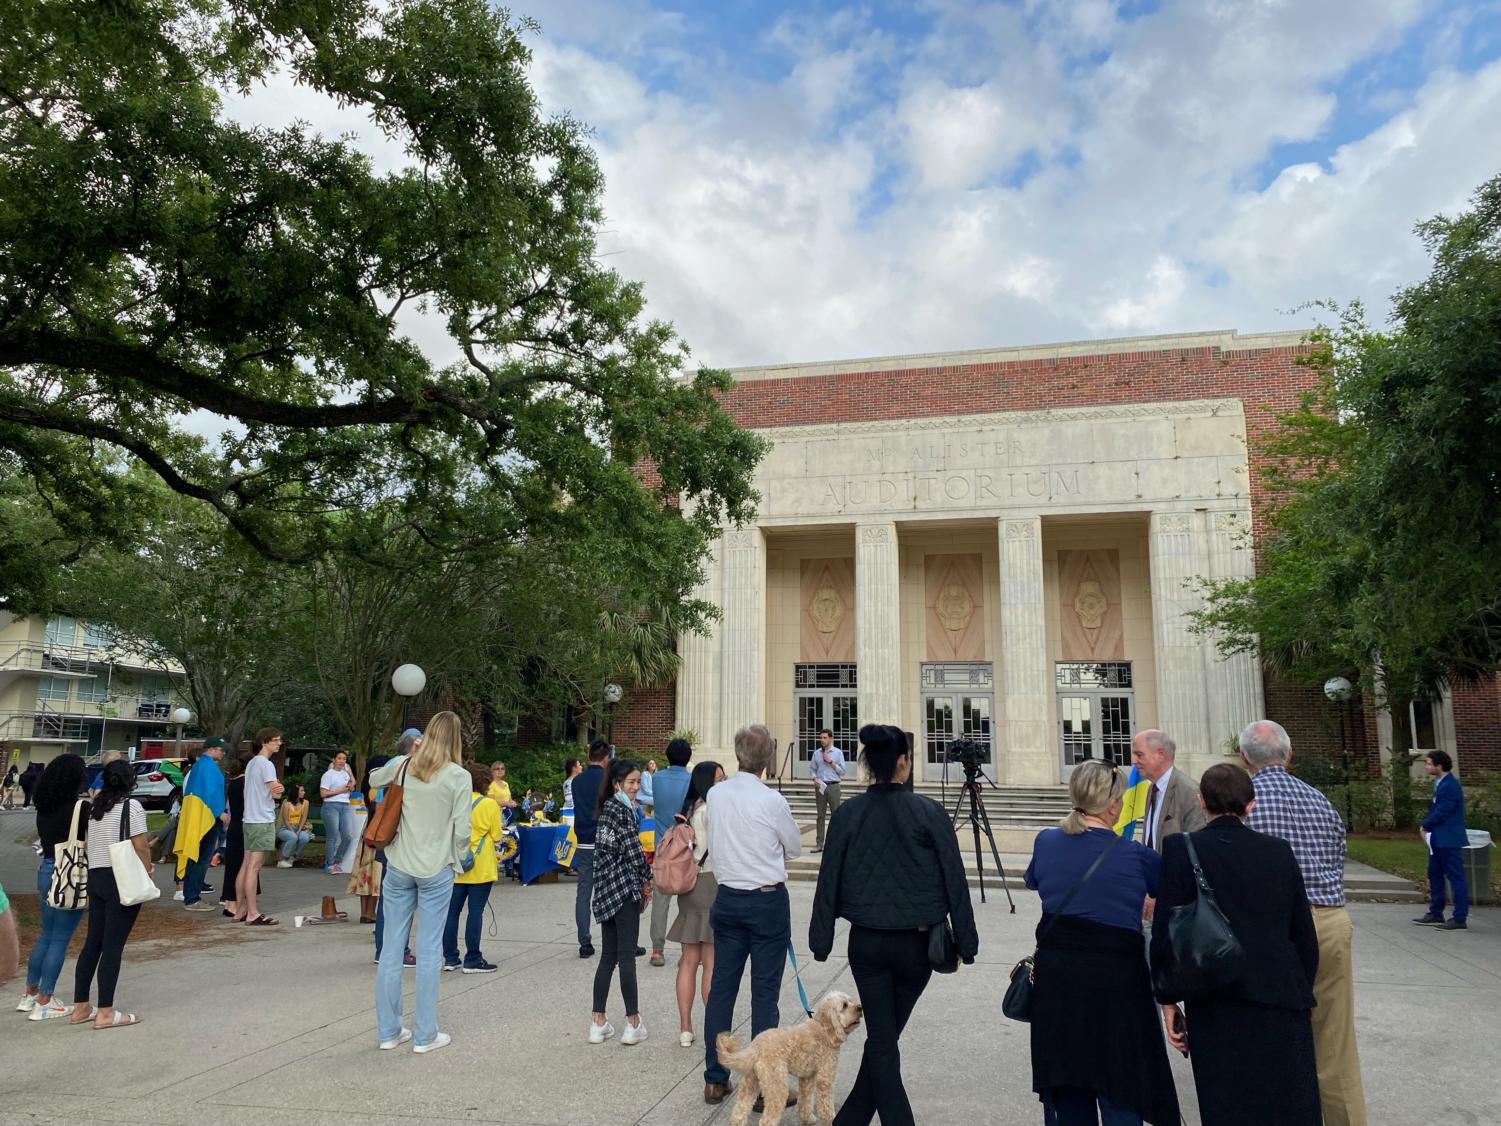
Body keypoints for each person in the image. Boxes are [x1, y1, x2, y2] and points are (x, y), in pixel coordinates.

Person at [810, 723, 977, 1126]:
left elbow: (828, 878)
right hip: (916, 947)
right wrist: (967, 941)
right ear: (903, 763)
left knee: (883, 1041)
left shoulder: (848, 814)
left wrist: (821, 937)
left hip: (867, 943)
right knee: (884, 1041)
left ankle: (849, 1120)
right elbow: (955, 878)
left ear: (868, 764)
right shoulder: (929, 813)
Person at [1152, 764, 1320, 1126]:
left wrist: (1168, 1000)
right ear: (1251, 805)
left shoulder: (1181, 849)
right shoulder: (1279, 852)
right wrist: (1301, 989)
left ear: (1201, 802)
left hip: (1215, 997)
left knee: (1226, 1105)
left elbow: (1167, 932)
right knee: (1286, 1108)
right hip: (1279, 994)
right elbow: (1303, 934)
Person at [1024, 759, 1178, 1125]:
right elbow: (1163, 898)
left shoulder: (1046, 841)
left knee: (1069, 1089)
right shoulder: (1138, 857)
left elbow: (1037, 882)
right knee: (1122, 1088)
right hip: (1116, 983)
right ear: (1113, 805)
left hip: (1059, 981)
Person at [1240, 719, 1366, 1126]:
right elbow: (1336, 860)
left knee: (1269, 1033)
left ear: (1243, 758)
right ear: (1289, 754)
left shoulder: (1245, 805)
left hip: (1274, 927)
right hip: (1329, 921)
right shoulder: (1321, 801)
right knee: (1334, 1041)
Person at [702, 724, 802, 1106]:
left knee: (722, 990)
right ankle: (763, 1085)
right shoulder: (771, 800)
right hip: (765, 900)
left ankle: (715, 1077)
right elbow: (792, 847)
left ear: (738, 754)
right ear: (767, 759)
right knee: (764, 994)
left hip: (727, 897)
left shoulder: (716, 794)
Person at [369, 710, 472, 1054]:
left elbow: (372, 779)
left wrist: (404, 756)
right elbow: (462, 829)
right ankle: (425, 1034)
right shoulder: (458, 776)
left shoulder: (404, 765)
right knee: (430, 950)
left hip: (399, 864)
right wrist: (463, 857)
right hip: (436, 867)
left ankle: (388, 1031)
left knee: (390, 950)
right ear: (455, 738)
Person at [70, 760, 151, 1028]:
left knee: (94, 941)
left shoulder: (96, 808)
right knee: (113, 945)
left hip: (97, 875)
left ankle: (81, 1005)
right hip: (120, 877)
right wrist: (148, 867)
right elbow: (140, 844)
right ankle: (105, 1011)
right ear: (130, 780)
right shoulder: (131, 806)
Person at [17, 754, 89, 1020]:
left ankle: (30, 992)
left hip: (46, 868)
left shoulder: (44, 806)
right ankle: (45, 999)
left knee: (45, 934)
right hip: (69, 872)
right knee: (60, 937)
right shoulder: (80, 808)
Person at [587, 757, 653, 1046]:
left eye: (638, 782)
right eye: (631, 782)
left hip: (604, 890)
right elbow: (633, 852)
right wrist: (648, 878)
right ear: (617, 784)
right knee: (626, 957)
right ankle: (633, 1022)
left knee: (607, 957)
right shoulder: (623, 811)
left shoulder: (606, 810)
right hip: (623, 890)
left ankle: (598, 1022)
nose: (636, 787)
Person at [668, 760, 723, 1046]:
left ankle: (685, 1028)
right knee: (711, 962)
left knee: (688, 960)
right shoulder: (712, 810)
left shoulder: (688, 809)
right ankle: (714, 1029)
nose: (723, 783)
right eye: (719, 778)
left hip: (688, 885)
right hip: (710, 883)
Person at [443, 763, 503, 973]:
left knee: (452, 912)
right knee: (475, 912)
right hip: (480, 865)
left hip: (456, 861)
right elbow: (497, 835)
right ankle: (473, 958)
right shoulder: (489, 804)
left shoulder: (455, 802)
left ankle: (450, 957)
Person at [372, 730, 421, 965]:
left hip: (386, 835)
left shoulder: (391, 765)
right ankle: (397, 951)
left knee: (388, 897)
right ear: (414, 746)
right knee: (402, 898)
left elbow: (373, 783)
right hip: (400, 838)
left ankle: (384, 949)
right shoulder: (406, 765)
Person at [648, 739, 695, 967]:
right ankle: (687, 951)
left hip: (662, 845)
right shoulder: (691, 781)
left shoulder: (656, 779)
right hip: (685, 846)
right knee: (688, 900)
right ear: (688, 757)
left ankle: (657, 950)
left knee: (661, 899)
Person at [1414, 750, 1469, 930]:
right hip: (1438, 838)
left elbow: (1443, 811)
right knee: (1434, 874)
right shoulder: (1440, 783)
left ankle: (1460, 917)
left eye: (1429, 763)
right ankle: (1436, 911)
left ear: (1439, 766)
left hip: (1449, 839)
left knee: (1455, 877)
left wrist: (1425, 825)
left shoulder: (1450, 786)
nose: (1427, 766)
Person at [236, 727, 285, 926]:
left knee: (246, 865)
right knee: (254, 867)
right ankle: (253, 912)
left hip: (249, 819)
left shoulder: (252, 763)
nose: (279, 744)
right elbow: (276, 792)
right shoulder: (266, 764)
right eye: (275, 740)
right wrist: (279, 790)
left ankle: (240, 909)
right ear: (265, 741)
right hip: (262, 819)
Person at [176, 737, 229, 913]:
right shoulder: (208, 767)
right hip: (207, 818)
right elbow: (210, 792)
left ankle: (190, 895)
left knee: (196, 857)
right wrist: (220, 812)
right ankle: (193, 898)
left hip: (200, 816)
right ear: (213, 749)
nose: (223, 753)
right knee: (202, 858)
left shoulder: (200, 766)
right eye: (221, 750)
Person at [572, 740, 611, 958]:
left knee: (584, 891)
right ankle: (611, 938)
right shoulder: (607, 779)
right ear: (606, 758)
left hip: (583, 839)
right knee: (607, 891)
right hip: (604, 839)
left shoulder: (577, 781)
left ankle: (584, 940)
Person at [319, 749, 357, 875]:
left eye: (344, 759)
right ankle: (329, 864)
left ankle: (337, 861)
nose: (342, 761)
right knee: (333, 836)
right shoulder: (328, 775)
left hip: (345, 805)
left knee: (347, 836)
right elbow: (323, 793)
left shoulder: (345, 774)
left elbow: (351, 786)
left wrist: (350, 786)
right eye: (339, 758)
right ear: (334, 760)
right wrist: (339, 791)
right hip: (331, 806)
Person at [809, 727, 847, 854]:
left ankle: (837, 843)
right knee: (820, 816)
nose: (822, 740)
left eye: (825, 738)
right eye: (821, 738)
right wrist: (814, 778)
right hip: (820, 787)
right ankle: (819, 844)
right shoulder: (816, 753)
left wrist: (830, 762)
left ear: (830, 738)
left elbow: (842, 772)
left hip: (833, 786)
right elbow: (812, 769)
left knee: (836, 815)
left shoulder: (837, 753)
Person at [276, 783, 313, 868]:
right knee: (293, 837)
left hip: (299, 828)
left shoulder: (305, 803)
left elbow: (304, 818)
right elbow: (285, 821)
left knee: (305, 837)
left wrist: (299, 830)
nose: (304, 792)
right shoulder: (287, 804)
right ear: (296, 792)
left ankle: (294, 857)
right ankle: (283, 860)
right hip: (286, 828)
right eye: (302, 791)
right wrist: (293, 831)